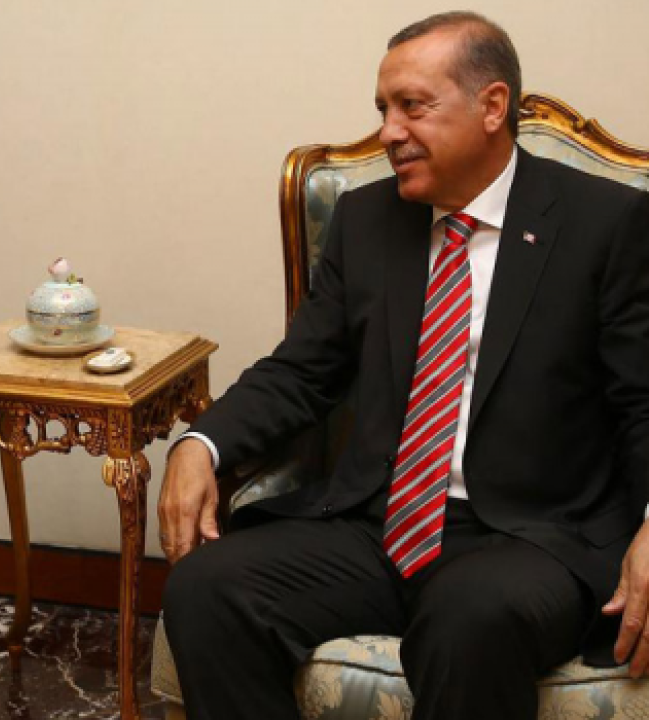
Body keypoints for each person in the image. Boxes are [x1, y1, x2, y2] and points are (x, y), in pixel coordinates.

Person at [158, 11, 649, 720]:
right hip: (379, 525)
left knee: (470, 617)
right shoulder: (366, 221)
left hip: (533, 537)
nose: (389, 131)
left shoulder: (605, 223)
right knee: (207, 588)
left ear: (492, 106)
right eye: (383, 109)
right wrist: (201, 444)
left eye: (412, 106)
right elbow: (301, 370)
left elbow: (643, 401)